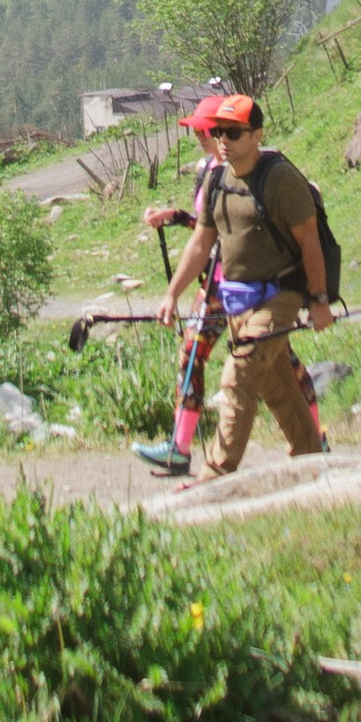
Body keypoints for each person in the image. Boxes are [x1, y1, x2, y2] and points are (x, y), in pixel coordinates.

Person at [166, 94, 330, 478]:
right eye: (219, 131)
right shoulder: (217, 178)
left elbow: (310, 242)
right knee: (279, 388)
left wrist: (319, 300)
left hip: (280, 296)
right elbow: (201, 243)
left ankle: (215, 475)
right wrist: (172, 294)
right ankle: (312, 460)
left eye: (234, 133)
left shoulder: (281, 179)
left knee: (237, 375)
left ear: (257, 135)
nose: (223, 140)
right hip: (238, 301)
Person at [138, 92, 230, 477]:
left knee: (278, 363)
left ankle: (313, 435)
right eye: (198, 132)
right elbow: (205, 230)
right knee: (191, 357)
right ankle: (179, 446)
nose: (200, 137)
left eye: (205, 131)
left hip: (237, 284)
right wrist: (174, 216)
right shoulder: (206, 170)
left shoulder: (245, 171)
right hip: (213, 284)